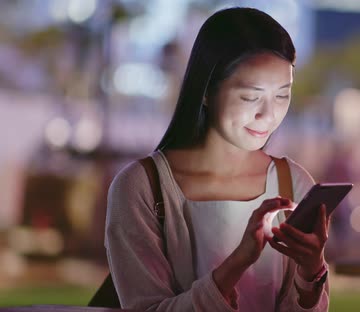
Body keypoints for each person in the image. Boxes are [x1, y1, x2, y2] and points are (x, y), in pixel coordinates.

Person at [105, 7, 330, 312]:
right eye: (251, 97)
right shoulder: (142, 188)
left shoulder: (294, 184)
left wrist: (311, 271)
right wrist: (237, 263)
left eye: (282, 95)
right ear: (207, 91)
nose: (269, 114)